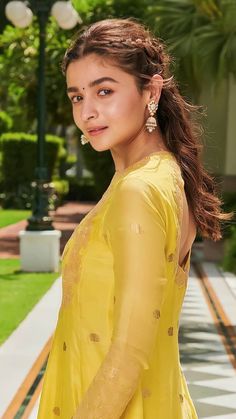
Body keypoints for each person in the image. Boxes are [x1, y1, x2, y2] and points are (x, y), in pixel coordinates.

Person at [37, 18, 230, 419]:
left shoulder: (138, 191)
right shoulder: (162, 175)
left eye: (104, 91)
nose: (88, 112)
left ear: (152, 91)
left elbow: (128, 352)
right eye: (77, 97)